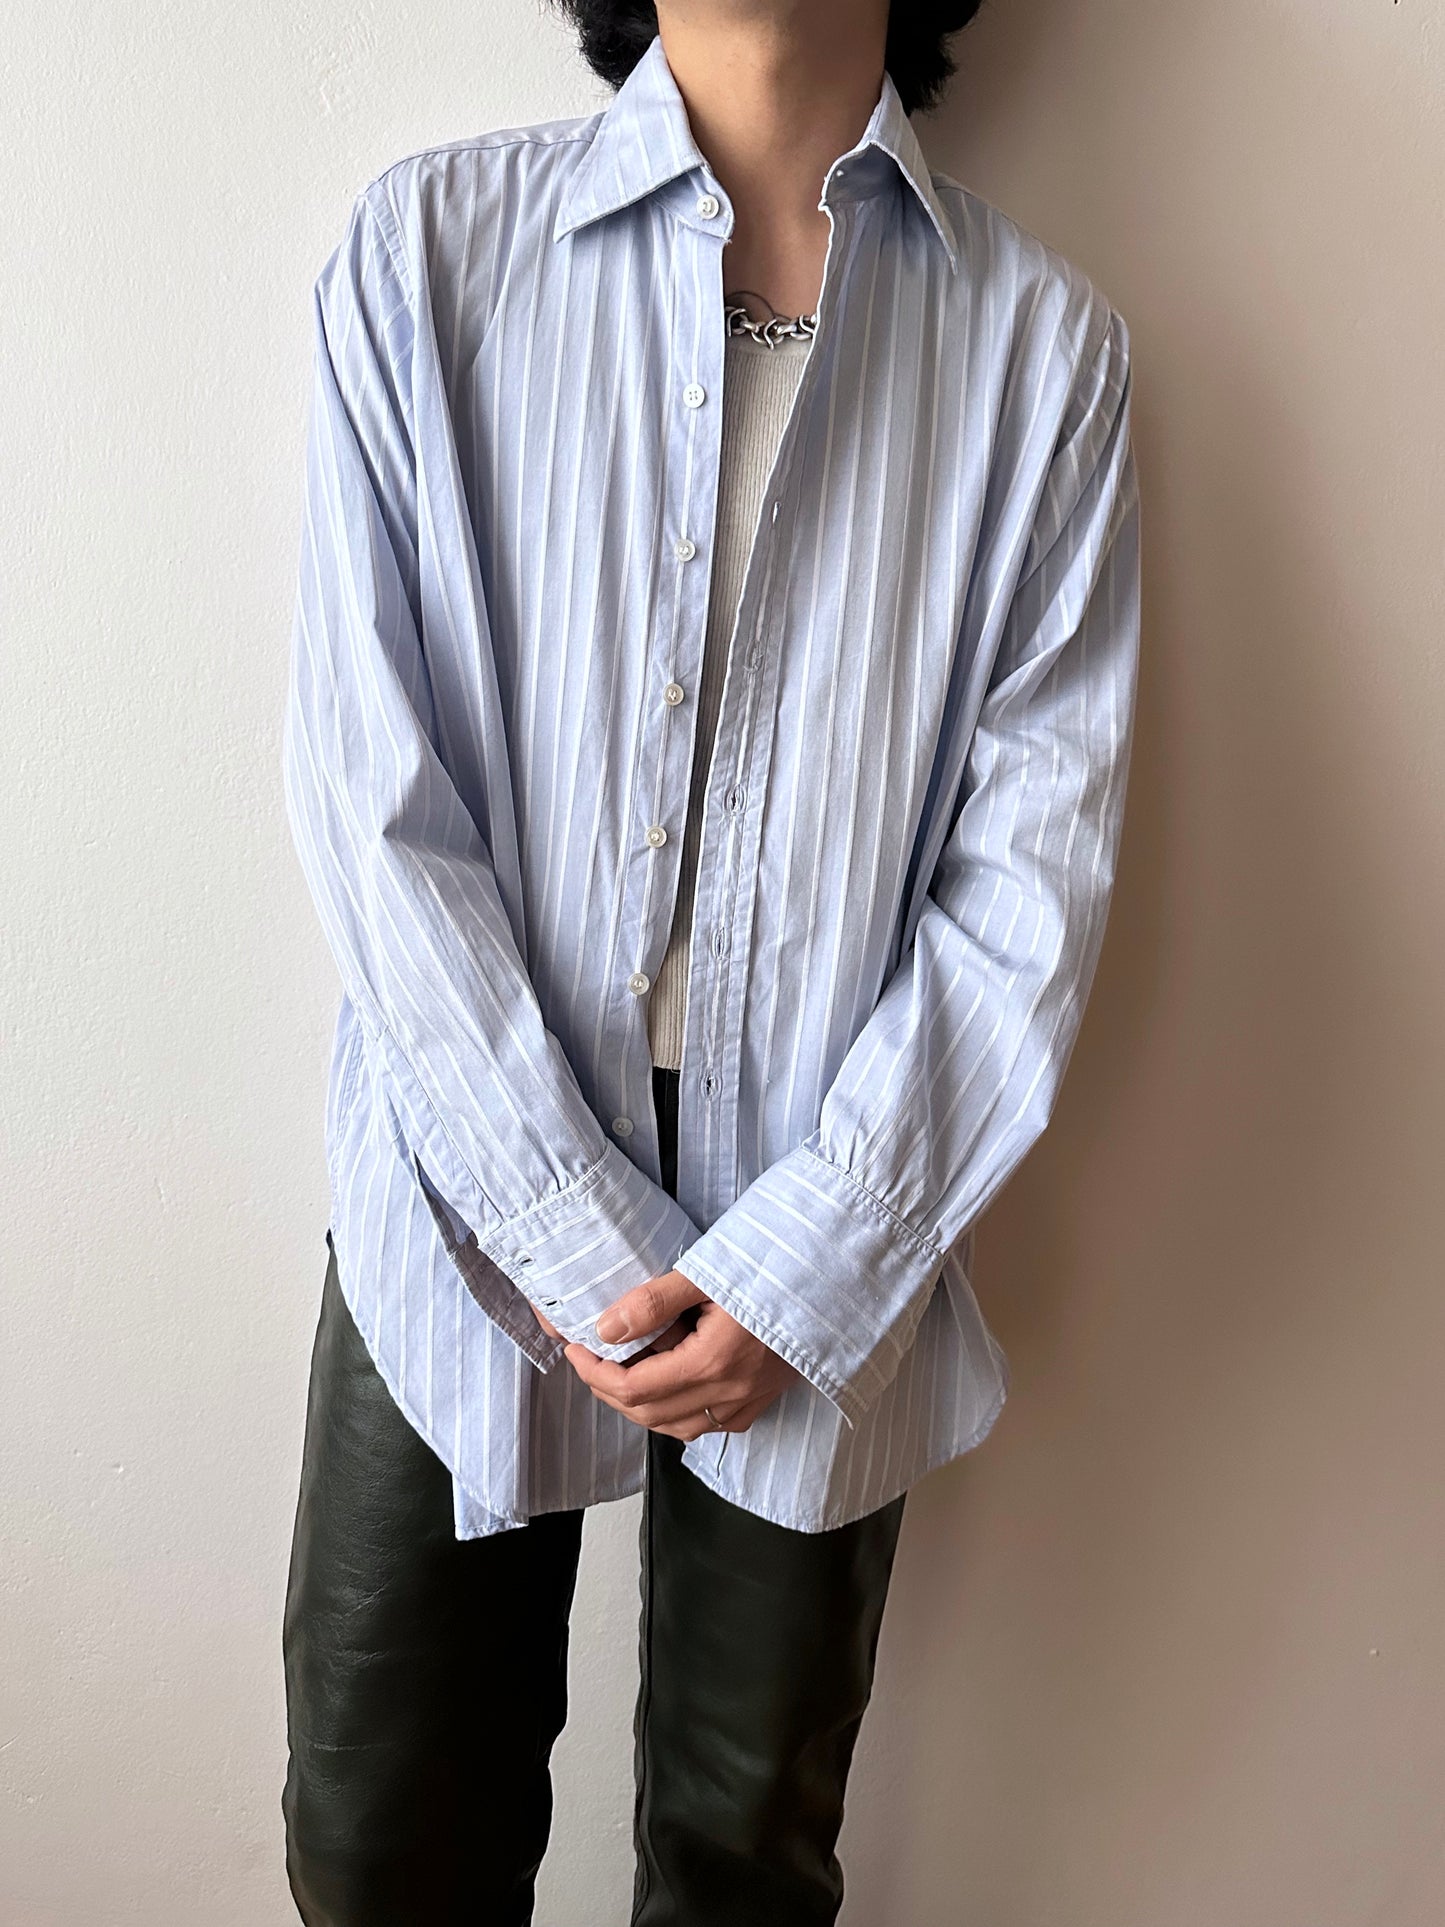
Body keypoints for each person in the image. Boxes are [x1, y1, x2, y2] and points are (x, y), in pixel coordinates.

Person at [278, 1, 1141, 1921]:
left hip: (836, 1192)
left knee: (743, 1860)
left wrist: (813, 1260)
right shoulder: (431, 256)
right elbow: (365, 796)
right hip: (461, 1178)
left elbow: (1032, 884)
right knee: (381, 1836)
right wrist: (568, 1228)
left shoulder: (1039, 352)